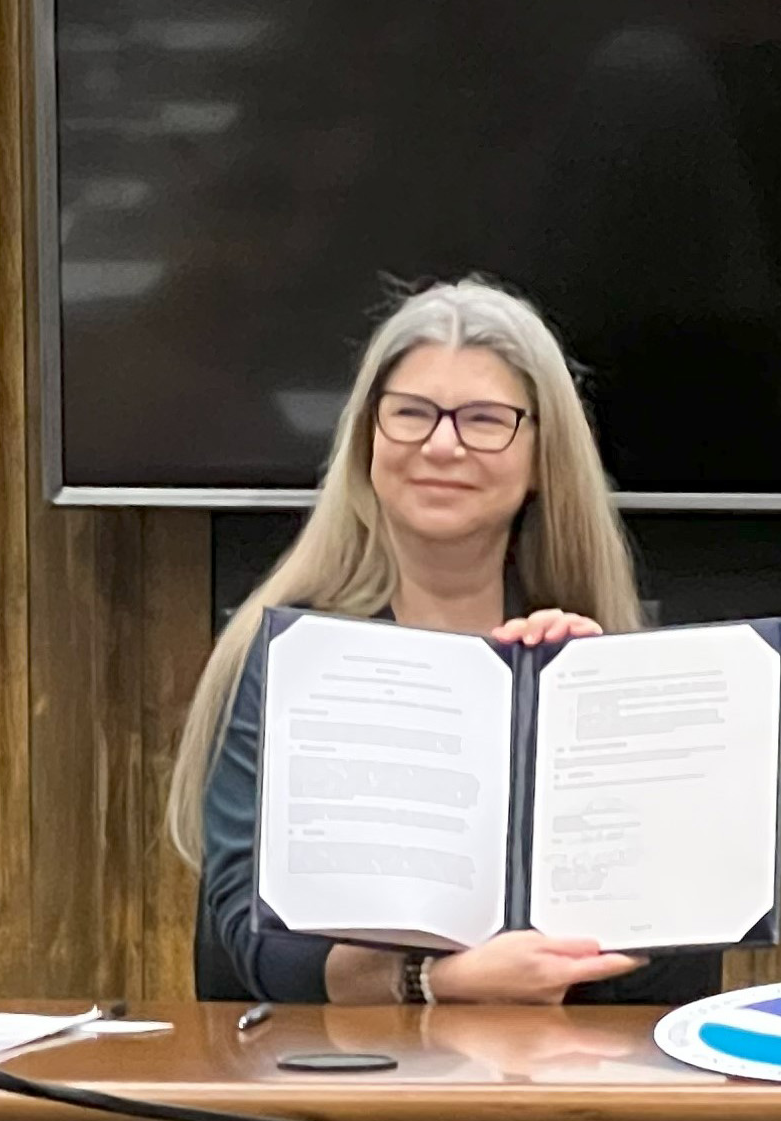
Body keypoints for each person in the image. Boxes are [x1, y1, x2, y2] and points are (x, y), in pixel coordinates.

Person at [167, 278, 715, 1006]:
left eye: (485, 420)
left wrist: (601, 724)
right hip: (336, 1088)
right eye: (411, 415)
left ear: (541, 458)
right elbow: (250, 941)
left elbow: (681, 949)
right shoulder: (285, 659)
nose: (442, 444)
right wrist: (436, 983)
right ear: (368, 440)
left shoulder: (600, 657)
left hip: (569, 1087)